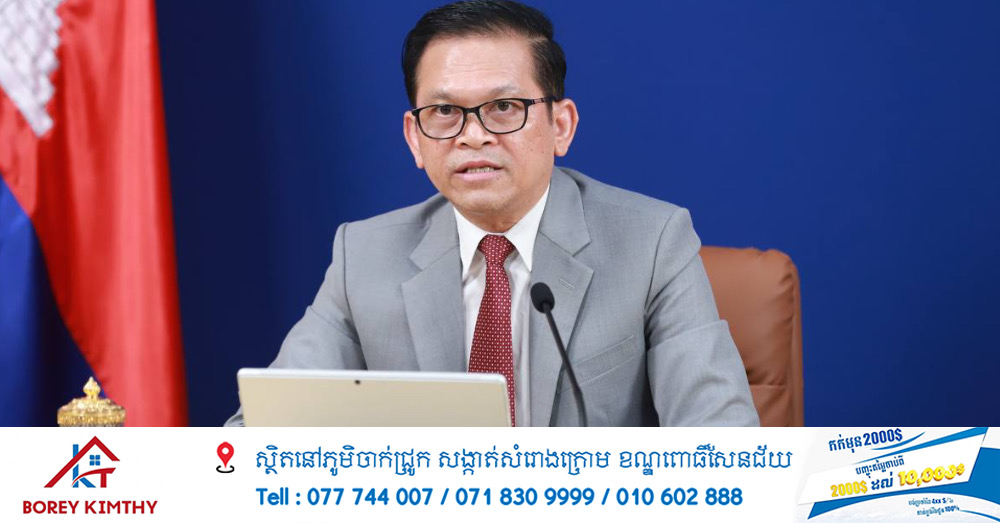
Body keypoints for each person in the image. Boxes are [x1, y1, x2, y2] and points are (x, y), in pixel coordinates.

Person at [226, 0, 758, 427]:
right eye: (444, 111)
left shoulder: (653, 242)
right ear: (414, 138)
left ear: (561, 126)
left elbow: (719, 437)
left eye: (504, 107)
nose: (473, 135)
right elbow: (261, 431)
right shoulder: (363, 256)